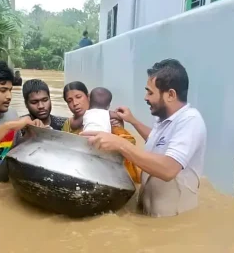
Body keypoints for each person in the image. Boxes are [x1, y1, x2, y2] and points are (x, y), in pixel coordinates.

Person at [81, 59, 207, 217]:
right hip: (148, 214)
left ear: (170, 95)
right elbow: (157, 141)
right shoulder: (164, 119)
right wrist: (132, 120)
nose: (145, 97)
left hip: (170, 222)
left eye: (150, 92)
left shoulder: (190, 121)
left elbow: (169, 169)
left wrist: (121, 144)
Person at [61, 81, 142, 184]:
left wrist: (119, 128)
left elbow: (129, 145)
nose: (75, 103)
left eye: (78, 97)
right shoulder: (68, 124)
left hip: (105, 175)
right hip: (77, 172)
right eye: (69, 100)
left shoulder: (109, 121)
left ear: (88, 96)